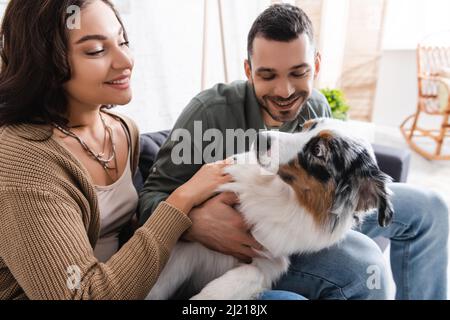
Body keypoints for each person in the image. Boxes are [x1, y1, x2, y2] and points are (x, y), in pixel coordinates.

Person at [139, 4, 449, 300]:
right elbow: (148, 202)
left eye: (298, 73)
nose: (285, 91)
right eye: (268, 75)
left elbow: (337, 182)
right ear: (249, 71)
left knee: (431, 209)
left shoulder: (315, 107)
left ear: (315, 65)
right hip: (261, 249)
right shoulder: (208, 114)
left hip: (308, 222)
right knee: (367, 265)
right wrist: (197, 223)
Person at [0, 0, 237, 300]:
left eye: (123, 41)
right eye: (96, 51)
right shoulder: (22, 162)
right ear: (45, 62)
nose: (125, 60)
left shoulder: (123, 130)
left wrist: (196, 224)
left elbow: (126, 237)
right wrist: (183, 200)